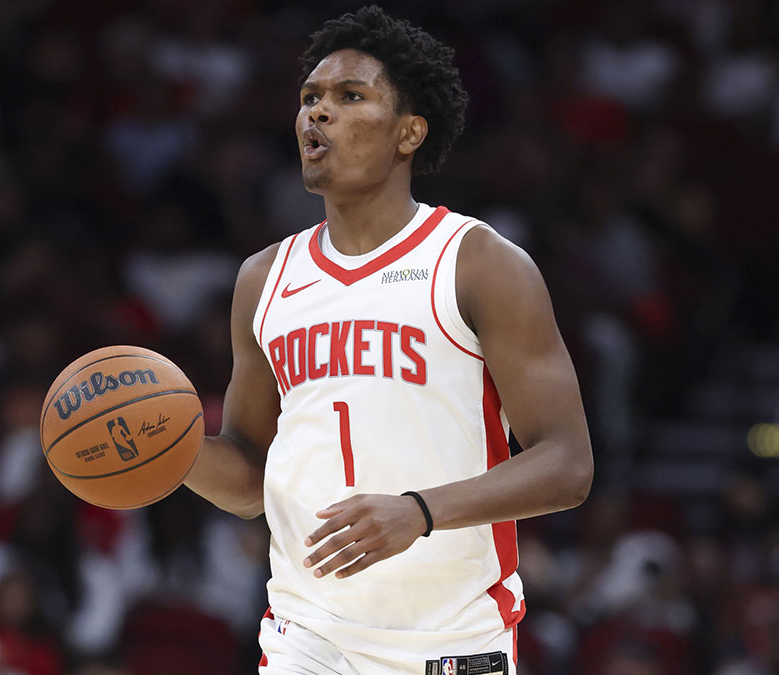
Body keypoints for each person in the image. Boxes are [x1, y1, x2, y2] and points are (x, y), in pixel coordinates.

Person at [181, 6, 593, 674]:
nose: (318, 113)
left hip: (450, 639)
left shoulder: (478, 262)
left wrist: (419, 512)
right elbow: (251, 475)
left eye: (349, 97)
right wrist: (167, 454)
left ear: (409, 132)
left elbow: (568, 464)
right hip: (305, 637)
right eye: (311, 98)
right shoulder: (264, 279)